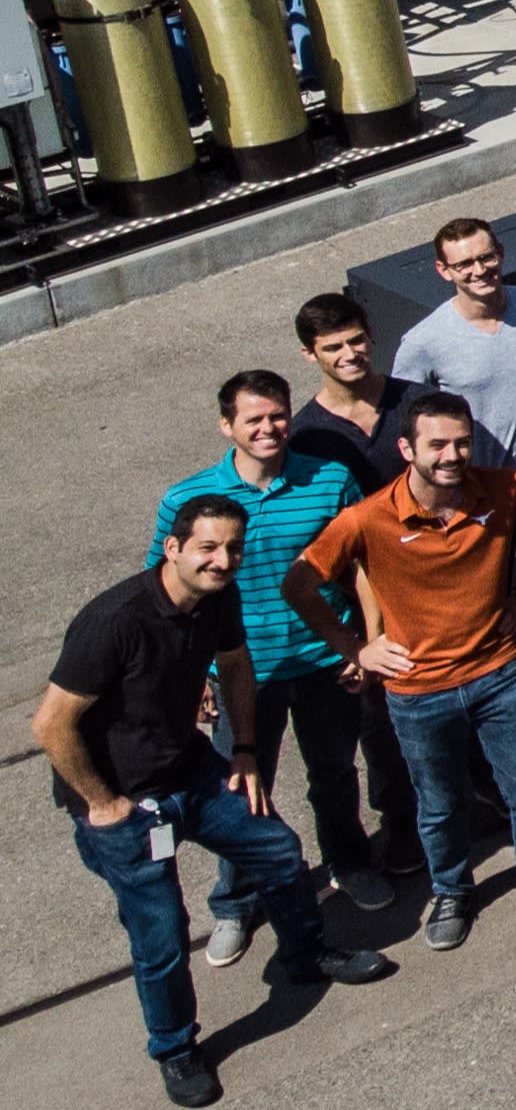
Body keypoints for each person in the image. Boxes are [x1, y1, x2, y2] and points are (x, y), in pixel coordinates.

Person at [37, 495, 395, 1108]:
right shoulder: (114, 620)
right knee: (162, 933)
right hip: (123, 803)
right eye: (207, 547)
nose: (222, 559)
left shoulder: (217, 598)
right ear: (172, 549)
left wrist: (246, 749)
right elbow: (50, 723)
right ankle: (176, 1049)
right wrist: (102, 803)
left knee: (278, 851)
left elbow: (235, 664)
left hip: (190, 772)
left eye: (232, 547)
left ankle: (304, 955)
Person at [282, 392, 516, 952]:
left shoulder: (498, 488)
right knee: (440, 803)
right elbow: (298, 585)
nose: (453, 455)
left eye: (462, 442)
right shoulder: (367, 518)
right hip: (418, 692)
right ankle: (451, 889)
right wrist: (356, 650)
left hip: (500, 673)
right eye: (438, 444)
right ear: (406, 448)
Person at [153, 371, 398, 964]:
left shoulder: (330, 479)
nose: (268, 429)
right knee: (239, 794)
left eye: (277, 416)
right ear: (226, 426)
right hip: (243, 674)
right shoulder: (188, 503)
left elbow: (362, 566)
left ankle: (349, 861)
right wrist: (188, 681)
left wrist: (365, 645)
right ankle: (236, 903)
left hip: (323, 665)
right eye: (253, 420)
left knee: (335, 774)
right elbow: (167, 594)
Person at [390, 216, 516, 487]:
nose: (479, 269)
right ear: (444, 270)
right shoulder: (421, 342)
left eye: (486, 257)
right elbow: (408, 422)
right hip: (481, 489)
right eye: (464, 264)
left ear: (501, 253)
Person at [289, 290, 439, 493]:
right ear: (309, 353)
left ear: (369, 335)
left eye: (356, 341)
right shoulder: (303, 436)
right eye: (334, 348)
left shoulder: (424, 403)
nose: (350, 355)